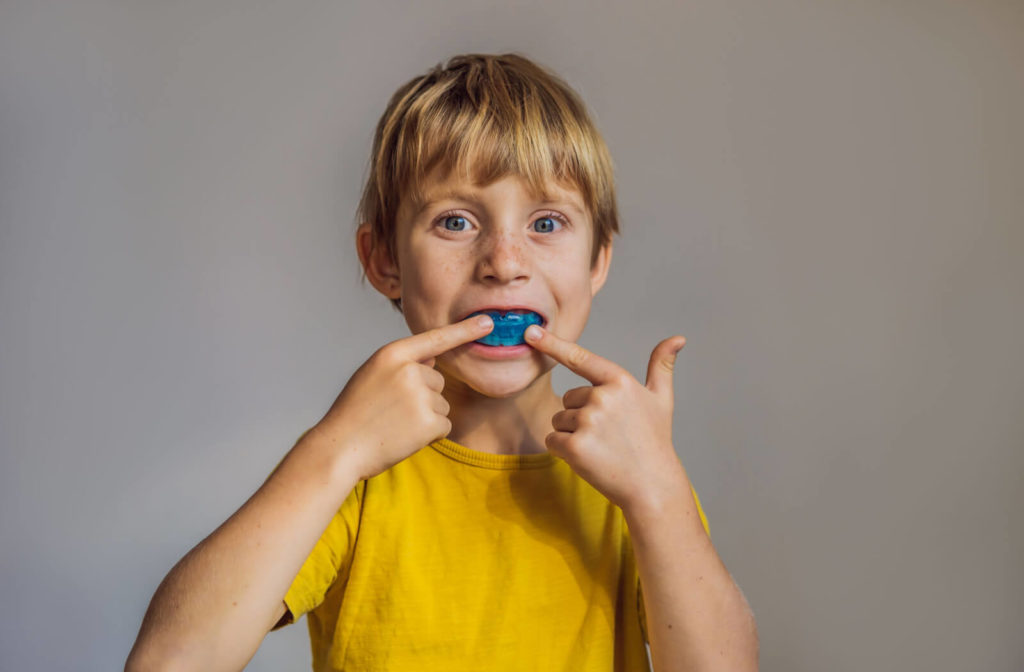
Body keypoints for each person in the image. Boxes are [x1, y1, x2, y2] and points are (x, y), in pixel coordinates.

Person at [125, 52, 758, 672]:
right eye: (455, 221)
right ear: (384, 262)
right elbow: (167, 662)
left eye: (547, 222)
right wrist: (334, 450)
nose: (505, 261)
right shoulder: (355, 477)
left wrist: (658, 492)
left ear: (597, 262)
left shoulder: (636, 476)